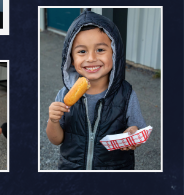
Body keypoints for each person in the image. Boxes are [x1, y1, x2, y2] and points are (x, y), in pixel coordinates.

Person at [46, 11, 146, 169]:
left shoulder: (126, 94)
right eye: (82, 51)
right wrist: (53, 120)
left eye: (100, 50)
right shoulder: (64, 94)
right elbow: (56, 140)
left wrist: (132, 134)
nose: (91, 58)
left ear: (114, 54)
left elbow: (137, 130)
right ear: (71, 59)